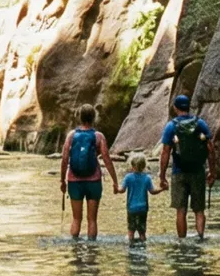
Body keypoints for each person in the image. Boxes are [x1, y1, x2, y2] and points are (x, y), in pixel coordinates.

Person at [158, 92, 215, 240]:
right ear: (189, 107)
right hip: (198, 171)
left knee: (181, 210)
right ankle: (201, 238)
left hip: (179, 172)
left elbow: (165, 153)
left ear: (175, 108)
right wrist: (212, 172)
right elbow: (210, 149)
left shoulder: (171, 126)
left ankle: (182, 242)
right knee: (199, 210)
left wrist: (162, 176)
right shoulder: (200, 124)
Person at [60, 103, 118, 240]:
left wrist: (62, 181)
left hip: (74, 181)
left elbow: (64, 159)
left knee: (76, 219)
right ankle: (92, 249)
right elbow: (107, 159)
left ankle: (75, 249)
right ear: (94, 117)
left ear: (79, 117)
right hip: (94, 181)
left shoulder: (71, 135)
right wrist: (115, 181)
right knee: (92, 220)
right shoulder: (98, 136)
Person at [122, 151, 154, 243]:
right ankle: (143, 243)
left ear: (132, 165)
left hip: (131, 208)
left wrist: (116, 188)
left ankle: (131, 244)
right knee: (142, 232)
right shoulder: (147, 178)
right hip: (143, 208)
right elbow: (152, 191)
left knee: (131, 231)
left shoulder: (128, 177)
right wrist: (162, 188)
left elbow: (122, 190)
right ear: (144, 166)